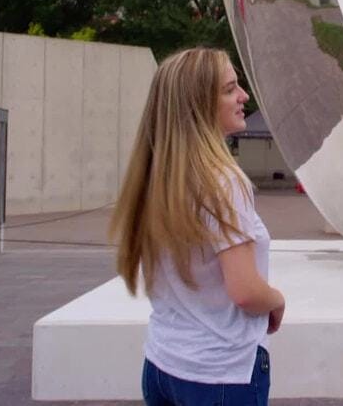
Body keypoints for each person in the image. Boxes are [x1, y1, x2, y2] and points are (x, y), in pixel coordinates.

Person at [110, 47, 285, 406]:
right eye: (229, 89)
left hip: (162, 366)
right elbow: (246, 292)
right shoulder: (224, 182)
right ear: (199, 104)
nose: (244, 96)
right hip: (222, 375)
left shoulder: (156, 178)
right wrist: (277, 300)